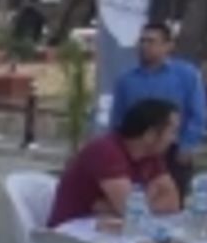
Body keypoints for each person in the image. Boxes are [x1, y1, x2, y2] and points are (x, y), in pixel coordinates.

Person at [47, 98, 181, 228]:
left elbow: (173, 203)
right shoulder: (106, 151)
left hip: (109, 230)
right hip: (70, 233)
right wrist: (148, 199)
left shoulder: (151, 155)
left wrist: (110, 207)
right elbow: (129, 211)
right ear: (150, 135)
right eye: (172, 132)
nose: (174, 139)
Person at [111, 21, 206, 200]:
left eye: (151, 41)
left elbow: (197, 114)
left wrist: (187, 145)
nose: (145, 46)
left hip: (174, 152)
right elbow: (118, 119)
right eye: (142, 41)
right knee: (138, 202)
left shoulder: (187, 75)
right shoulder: (126, 80)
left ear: (168, 46)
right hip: (138, 153)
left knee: (172, 203)